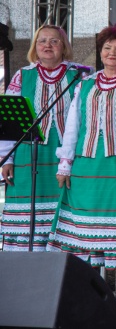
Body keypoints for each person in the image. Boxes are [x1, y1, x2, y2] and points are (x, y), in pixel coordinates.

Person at [49, 24, 116, 314]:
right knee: (88, 234)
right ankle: (93, 298)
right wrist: (65, 164)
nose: (111, 53)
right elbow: (73, 126)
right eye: (107, 48)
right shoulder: (84, 84)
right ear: (100, 52)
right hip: (86, 167)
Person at [0, 25, 84, 251]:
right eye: (42, 41)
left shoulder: (79, 75)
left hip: (66, 154)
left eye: (54, 41)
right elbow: (8, 121)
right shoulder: (22, 75)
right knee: (27, 216)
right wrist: (6, 158)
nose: (48, 45)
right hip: (27, 154)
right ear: (35, 47)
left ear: (64, 46)